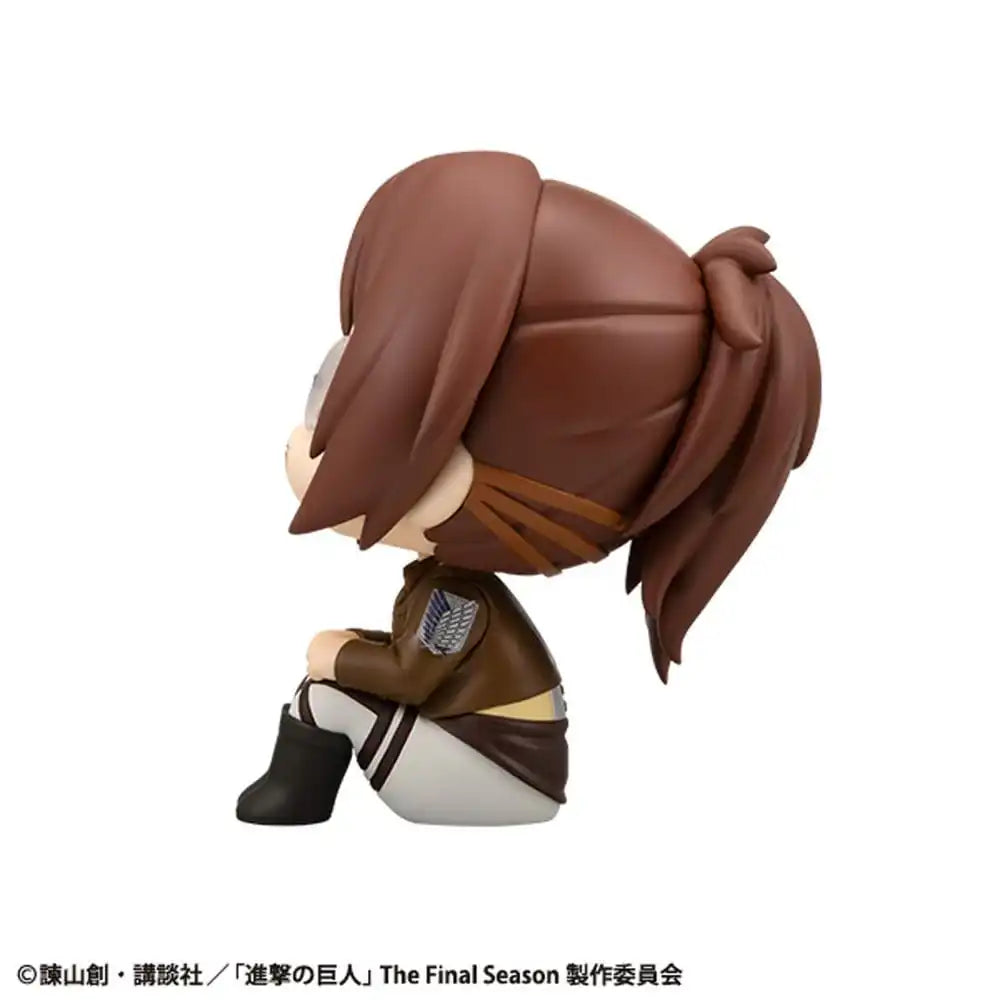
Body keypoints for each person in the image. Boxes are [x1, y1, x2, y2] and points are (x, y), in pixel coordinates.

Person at [235, 151, 820, 826]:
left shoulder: (455, 598)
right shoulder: (449, 586)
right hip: (483, 755)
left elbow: (411, 676)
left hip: (492, 769)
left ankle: (294, 803)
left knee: (322, 696)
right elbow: (422, 661)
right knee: (329, 679)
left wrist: (336, 653)